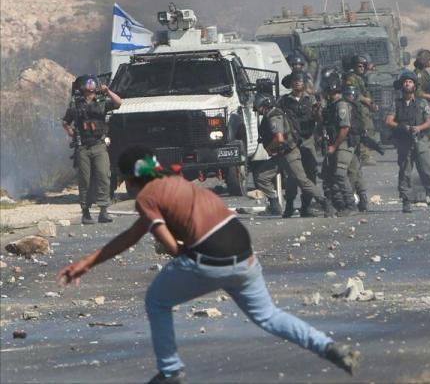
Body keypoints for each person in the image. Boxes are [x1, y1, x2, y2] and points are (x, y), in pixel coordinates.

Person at [56, 145, 361, 384]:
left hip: (209, 258)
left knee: (157, 300)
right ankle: (329, 348)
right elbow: (132, 235)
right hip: (244, 254)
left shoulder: (146, 197)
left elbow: (167, 245)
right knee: (269, 315)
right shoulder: (178, 182)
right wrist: (88, 261)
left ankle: (171, 372)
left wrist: (180, 249)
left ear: (131, 177)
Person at [254, 94, 334, 218]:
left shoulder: (275, 116)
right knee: (262, 176)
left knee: (302, 181)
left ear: (265, 105)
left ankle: (324, 202)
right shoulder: (269, 115)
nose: (257, 109)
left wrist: (269, 148)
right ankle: (275, 204)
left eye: (258, 106)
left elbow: (279, 138)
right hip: (279, 155)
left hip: (289, 154)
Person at [62, 75, 122, 224]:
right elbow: (65, 121)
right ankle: (86, 212)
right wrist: (70, 131)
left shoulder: (102, 102)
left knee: (103, 176)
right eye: (87, 83)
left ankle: (103, 210)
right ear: (82, 87)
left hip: (99, 144)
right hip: (82, 146)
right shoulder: (76, 104)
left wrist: (107, 91)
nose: (90, 85)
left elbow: (118, 103)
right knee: (85, 180)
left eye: (92, 83)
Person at [385, 71, 430, 213]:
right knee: (405, 172)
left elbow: (428, 121)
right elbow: (388, 121)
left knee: (426, 171)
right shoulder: (397, 103)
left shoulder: (422, 103)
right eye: (405, 82)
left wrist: (418, 128)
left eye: (410, 82)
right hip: (404, 142)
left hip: (420, 141)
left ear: (414, 85)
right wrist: (401, 126)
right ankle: (406, 201)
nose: (407, 84)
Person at [277, 72, 321, 217]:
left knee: (311, 173)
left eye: (300, 80)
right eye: (295, 80)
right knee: (292, 175)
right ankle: (289, 205)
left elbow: (319, 119)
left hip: (307, 140)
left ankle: (306, 206)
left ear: (304, 83)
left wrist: (317, 112)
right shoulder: (284, 101)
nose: (297, 83)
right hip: (291, 141)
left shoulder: (311, 99)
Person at [319, 80, 358, 216]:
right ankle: (337, 204)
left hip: (344, 142)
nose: (331, 95)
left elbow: (344, 128)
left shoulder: (341, 105)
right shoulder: (330, 106)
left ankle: (350, 205)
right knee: (327, 174)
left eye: (333, 93)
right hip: (333, 142)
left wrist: (334, 146)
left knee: (340, 174)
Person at [344, 54, 379, 166]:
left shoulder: (361, 78)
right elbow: (351, 93)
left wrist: (372, 104)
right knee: (363, 131)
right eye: (359, 66)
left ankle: (365, 154)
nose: (362, 68)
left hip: (365, 108)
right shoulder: (351, 78)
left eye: (363, 66)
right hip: (357, 108)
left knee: (369, 130)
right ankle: (364, 156)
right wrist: (366, 101)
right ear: (354, 66)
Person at [341, 84, 369, 212]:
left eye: (351, 95)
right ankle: (362, 199)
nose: (350, 97)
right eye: (348, 95)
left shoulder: (350, 107)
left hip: (351, 141)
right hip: (355, 141)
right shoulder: (357, 107)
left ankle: (352, 200)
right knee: (356, 171)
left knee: (353, 171)